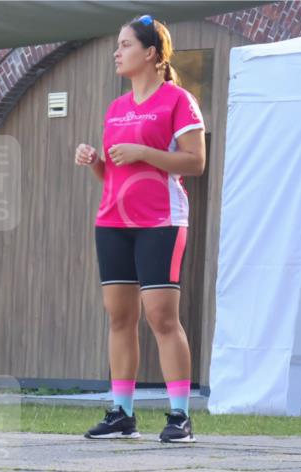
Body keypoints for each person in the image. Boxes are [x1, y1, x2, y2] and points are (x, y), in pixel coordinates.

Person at [74, 15, 206, 443]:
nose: (117, 52)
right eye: (118, 45)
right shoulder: (115, 108)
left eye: (126, 45)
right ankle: (122, 413)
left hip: (161, 222)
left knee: (161, 318)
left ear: (150, 53)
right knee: (119, 318)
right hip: (112, 221)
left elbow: (195, 162)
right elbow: (114, 174)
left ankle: (180, 416)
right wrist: (95, 162)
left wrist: (145, 152)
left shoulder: (178, 100)